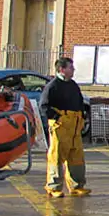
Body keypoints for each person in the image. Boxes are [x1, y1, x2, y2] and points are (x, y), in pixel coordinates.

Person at [41, 57, 90, 198]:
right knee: (56, 156)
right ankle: (53, 187)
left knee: (76, 157)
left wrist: (82, 116)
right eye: (70, 67)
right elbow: (44, 106)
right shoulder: (52, 86)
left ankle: (77, 186)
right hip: (61, 126)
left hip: (74, 126)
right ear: (62, 69)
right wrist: (57, 118)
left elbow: (80, 102)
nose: (73, 70)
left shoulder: (73, 85)